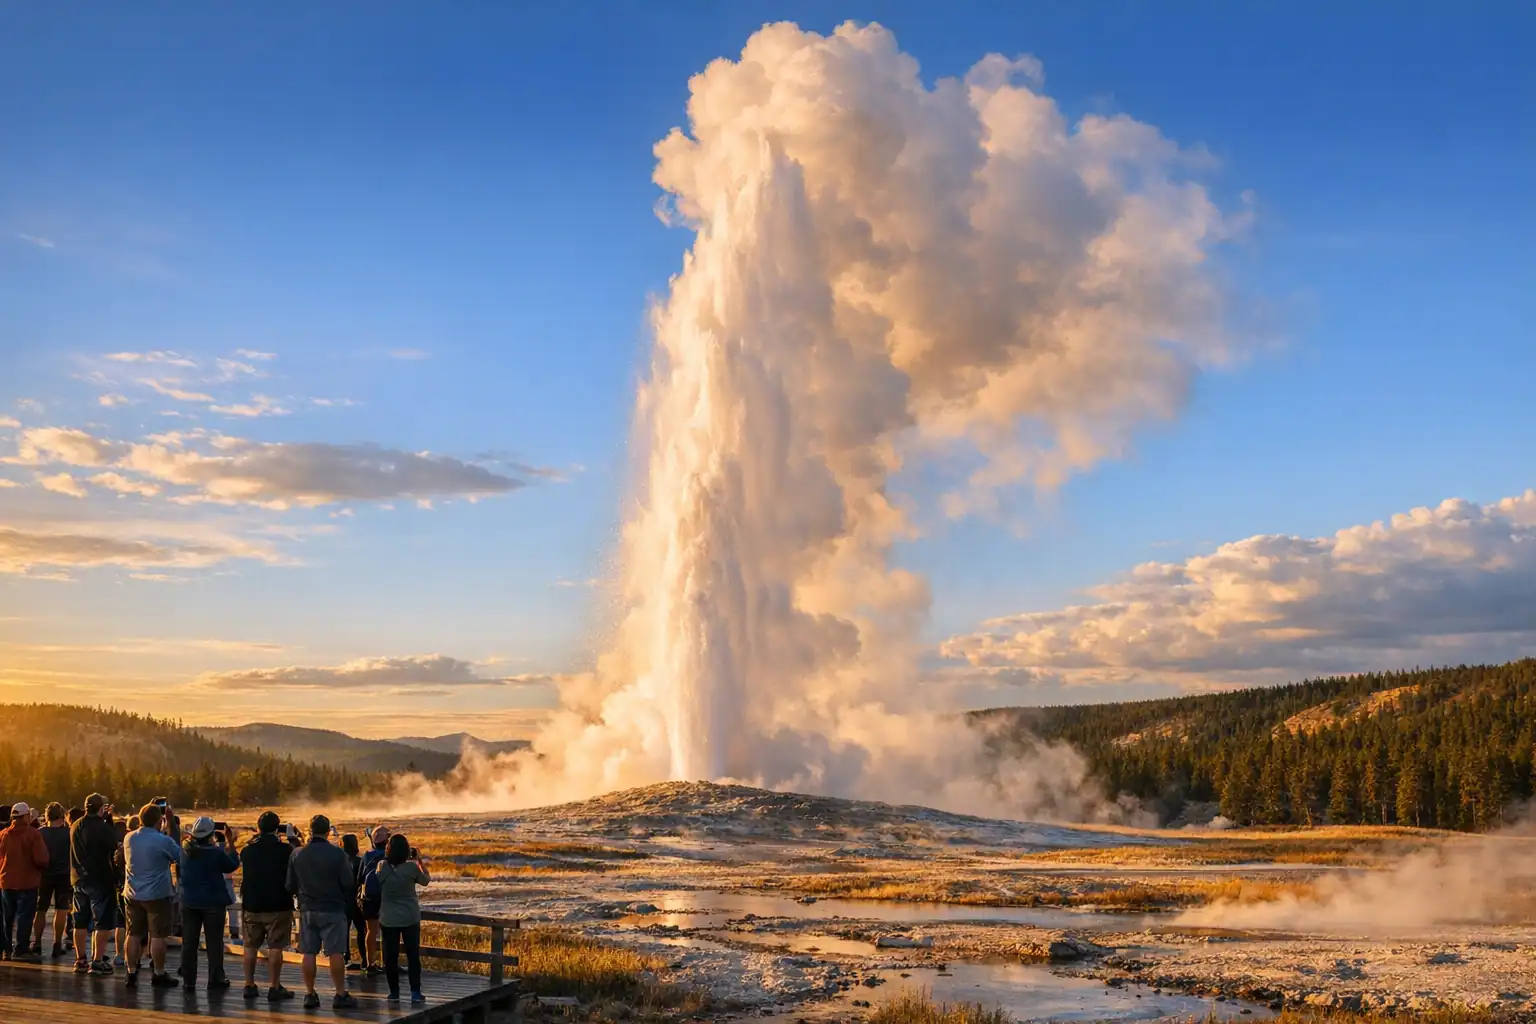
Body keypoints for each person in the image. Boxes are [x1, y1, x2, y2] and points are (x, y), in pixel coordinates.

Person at [285, 814, 358, 1009]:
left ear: (309, 830)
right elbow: (348, 882)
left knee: (308, 953)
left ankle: (309, 994)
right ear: (328, 831)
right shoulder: (338, 854)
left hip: (308, 909)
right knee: (335, 952)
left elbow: (290, 884)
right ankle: (340, 994)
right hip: (332, 908)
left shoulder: (297, 854)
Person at [239, 811, 296, 1003]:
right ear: (276, 828)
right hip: (278, 905)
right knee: (275, 947)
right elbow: (296, 857)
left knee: (250, 946)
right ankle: (274, 986)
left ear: (258, 827)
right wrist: (292, 838)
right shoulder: (285, 850)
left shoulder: (247, 851)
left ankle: (249, 984)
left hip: (252, 905)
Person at [122, 803, 181, 988]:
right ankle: (159, 973)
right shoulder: (163, 840)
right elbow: (179, 856)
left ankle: (131, 972)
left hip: (132, 893)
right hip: (157, 894)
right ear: (159, 820)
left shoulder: (129, 838)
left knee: (133, 934)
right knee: (158, 936)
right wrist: (171, 825)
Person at [177, 816, 239, 991]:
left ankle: (189, 981)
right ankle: (215, 978)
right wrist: (230, 842)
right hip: (213, 902)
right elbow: (232, 865)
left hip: (189, 901)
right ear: (211, 834)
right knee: (214, 942)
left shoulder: (184, 849)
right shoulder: (215, 853)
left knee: (189, 942)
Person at [375, 833, 430, 1005]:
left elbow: (377, 881)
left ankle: (394, 993)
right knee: (413, 955)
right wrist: (419, 861)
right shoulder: (412, 868)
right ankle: (415, 992)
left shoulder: (382, 866)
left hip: (388, 917)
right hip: (410, 917)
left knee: (390, 957)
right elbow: (426, 880)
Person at [70, 792, 118, 975]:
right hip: (99, 879)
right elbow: (113, 847)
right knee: (101, 923)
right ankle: (97, 961)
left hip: (78, 879)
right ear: (100, 809)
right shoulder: (102, 827)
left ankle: (80, 960)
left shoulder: (75, 825)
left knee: (79, 922)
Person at [0, 802, 50, 962]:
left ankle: (6, 949)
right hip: (27, 882)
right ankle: (21, 950)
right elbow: (41, 859)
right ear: (26, 816)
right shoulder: (33, 834)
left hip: (6, 881)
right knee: (24, 917)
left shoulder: (3, 834)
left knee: (7, 917)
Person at [31, 802, 72, 959]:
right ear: (61, 816)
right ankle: (57, 943)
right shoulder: (68, 833)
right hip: (63, 874)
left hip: (44, 874)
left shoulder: (39, 833)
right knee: (61, 910)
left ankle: (37, 942)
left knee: (40, 909)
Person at [358, 824, 390, 975]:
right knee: (388, 931)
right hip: (386, 898)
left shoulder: (367, 855)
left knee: (371, 931)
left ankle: (371, 963)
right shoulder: (389, 857)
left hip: (369, 899)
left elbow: (360, 878)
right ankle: (388, 963)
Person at [340, 833, 365, 970]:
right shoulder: (360, 861)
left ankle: (345, 957)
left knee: (344, 930)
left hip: (344, 900)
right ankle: (365, 958)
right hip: (358, 900)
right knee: (362, 930)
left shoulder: (339, 861)